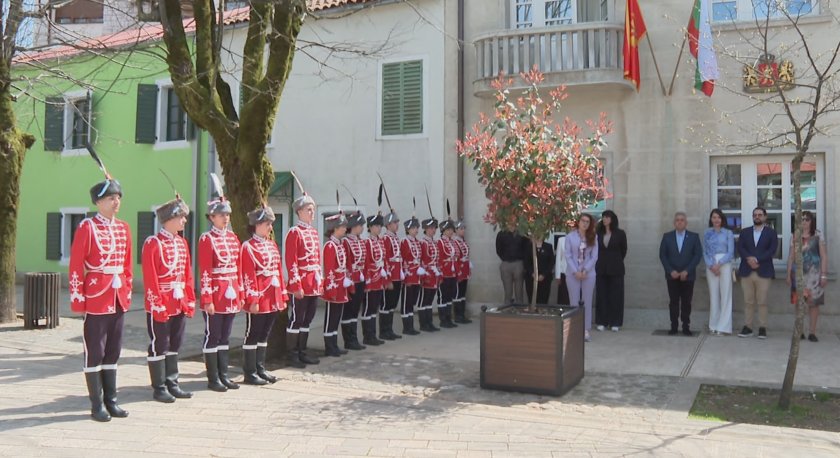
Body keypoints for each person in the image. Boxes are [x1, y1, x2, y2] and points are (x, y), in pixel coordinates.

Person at [69, 176, 132, 422]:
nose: (116, 202)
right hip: (96, 294)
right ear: (98, 202)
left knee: (113, 350)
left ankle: (111, 401)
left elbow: (127, 265)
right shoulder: (87, 227)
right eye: (110, 198)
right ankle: (97, 404)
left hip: (118, 295)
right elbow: (76, 265)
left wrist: (126, 290)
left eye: (118, 198)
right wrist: (77, 299)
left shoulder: (124, 228)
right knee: (95, 351)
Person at [142, 195, 195, 402]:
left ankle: (173, 383)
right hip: (162, 301)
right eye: (181, 217)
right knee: (160, 343)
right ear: (169, 219)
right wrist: (157, 304)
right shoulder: (153, 243)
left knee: (175, 342)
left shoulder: (182, 243)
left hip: (178, 299)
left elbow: (187, 274)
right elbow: (151, 277)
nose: (184, 221)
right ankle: (159, 387)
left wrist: (189, 299)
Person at [198, 194, 243, 391]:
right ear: (211, 217)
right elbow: (205, 271)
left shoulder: (233, 238)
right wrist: (207, 298)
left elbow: (238, 268)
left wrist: (240, 294)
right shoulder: (207, 239)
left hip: (231, 294)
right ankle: (213, 377)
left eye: (227, 214)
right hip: (216, 294)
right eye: (221, 215)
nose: (226, 218)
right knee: (213, 335)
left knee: (225, 336)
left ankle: (223, 375)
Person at [240, 205, 287, 384]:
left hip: (272, 295)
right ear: (257, 225)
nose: (270, 227)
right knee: (253, 333)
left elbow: (278, 271)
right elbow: (248, 275)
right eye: (267, 224)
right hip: (259, 296)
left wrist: (282, 296)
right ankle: (250, 372)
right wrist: (252, 299)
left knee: (265, 333)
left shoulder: (271, 244)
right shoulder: (248, 247)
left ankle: (260, 368)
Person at [285, 192, 323, 365]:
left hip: (313, 282)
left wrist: (319, 280)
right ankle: (292, 354)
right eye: (308, 209)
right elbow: (291, 261)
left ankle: (302, 351)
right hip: (301, 282)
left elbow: (317, 259)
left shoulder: (313, 232)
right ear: (299, 212)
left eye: (313, 209)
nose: (312, 212)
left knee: (308, 319)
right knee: (297, 319)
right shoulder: (295, 232)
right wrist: (296, 285)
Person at [736, 207, 778, 339]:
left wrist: (757, 259)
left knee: (762, 302)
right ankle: (748, 327)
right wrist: (749, 258)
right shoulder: (745, 232)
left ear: (765, 217)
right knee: (748, 301)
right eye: (755, 215)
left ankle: (762, 327)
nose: (757, 217)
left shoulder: (771, 233)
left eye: (760, 215)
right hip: (747, 271)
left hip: (763, 271)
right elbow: (740, 247)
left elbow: (772, 250)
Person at [659, 212, 703, 336]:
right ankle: (673, 326)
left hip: (688, 276)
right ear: (674, 223)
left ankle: (685, 327)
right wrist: (670, 270)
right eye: (677, 220)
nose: (679, 222)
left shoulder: (694, 237)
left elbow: (697, 255)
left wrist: (687, 271)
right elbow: (663, 255)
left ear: (686, 222)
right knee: (673, 302)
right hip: (672, 276)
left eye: (682, 220)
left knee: (686, 302)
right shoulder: (667, 237)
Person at [787, 211, 827, 342]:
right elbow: (791, 256)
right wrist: (788, 274)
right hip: (798, 274)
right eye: (802, 219)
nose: (804, 222)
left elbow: (823, 256)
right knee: (799, 303)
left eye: (807, 219)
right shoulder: (795, 236)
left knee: (813, 304)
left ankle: (812, 332)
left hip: (814, 275)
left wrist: (824, 275)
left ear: (811, 221)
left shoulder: (818, 235)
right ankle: (800, 332)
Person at [321, 210, 353, 356]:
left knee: (337, 317)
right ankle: (329, 347)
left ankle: (334, 345)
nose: (345, 229)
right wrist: (332, 289)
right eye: (343, 227)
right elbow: (329, 270)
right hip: (334, 287)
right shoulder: (330, 246)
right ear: (335, 228)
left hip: (341, 286)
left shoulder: (339, 245)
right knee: (331, 318)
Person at [565, 214, 599, 341]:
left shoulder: (594, 237)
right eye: (583, 221)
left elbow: (594, 256)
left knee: (587, 301)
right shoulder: (570, 237)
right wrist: (575, 271)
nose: (585, 223)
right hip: (573, 273)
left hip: (588, 273)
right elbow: (568, 255)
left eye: (587, 222)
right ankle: (574, 329)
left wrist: (585, 270)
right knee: (573, 302)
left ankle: (585, 329)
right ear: (578, 222)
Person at [595, 210, 628, 332]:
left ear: (612, 219)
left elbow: (623, 250)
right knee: (601, 295)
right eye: (603, 217)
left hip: (616, 269)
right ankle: (601, 321)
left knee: (616, 296)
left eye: (607, 217)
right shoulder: (598, 233)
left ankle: (615, 322)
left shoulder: (620, 233)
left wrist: (615, 260)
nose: (605, 219)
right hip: (601, 268)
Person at [703, 208, 734, 336]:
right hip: (710, 264)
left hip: (725, 263)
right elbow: (704, 251)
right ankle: (713, 325)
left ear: (722, 219)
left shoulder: (728, 233)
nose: (716, 220)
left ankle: (724, 327)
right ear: (711, 219)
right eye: (714, 217)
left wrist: (719, 264)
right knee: (714, 295)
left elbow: (731, 252)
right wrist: (711, 265)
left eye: (718, 217)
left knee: (725, 295)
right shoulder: (707, 233)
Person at [341, 211, 367, 350]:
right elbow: (346, 262)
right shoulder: (346, 242)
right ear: (354, 226)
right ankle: (348, 340)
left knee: (356, 309)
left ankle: (354, 337)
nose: (362, 228)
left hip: (360, 278)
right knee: (349, 310)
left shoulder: (360, 241)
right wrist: (348, 278)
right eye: (360, 225)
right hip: (351, 280)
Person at [361, 212, 388, 345]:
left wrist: (384, 274)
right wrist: (367, 280)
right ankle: (367, 336)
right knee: (368, 308)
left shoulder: (380, 241)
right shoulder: (367, 242)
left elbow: (383, 259)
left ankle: (373, 335)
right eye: (376, 226)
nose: (379, 228)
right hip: (371, 279)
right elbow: (366, 263)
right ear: (370, 227)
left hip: (379, 279)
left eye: (380, 226)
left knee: (374, 308)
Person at [380, 208, 404, 340]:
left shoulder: (395, 238)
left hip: (397, 275)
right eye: (395, 222)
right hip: (390, 276)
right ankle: (384, 331)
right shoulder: (386, 239)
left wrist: (400, 272)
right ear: (388, 225)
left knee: (393, 304)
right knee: (386, 304)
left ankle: (389, 329)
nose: (397, 225)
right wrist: (388, 279)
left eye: (397, 222)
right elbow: (385, 259)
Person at [400, 215, 423, 335]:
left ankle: (411, 326)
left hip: (417, 275)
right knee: (406, 302)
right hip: (409, 275)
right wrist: (405, 277)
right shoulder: (405, 241)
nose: (416, 230)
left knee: (412, 301)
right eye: (413, 228)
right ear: (408, 229)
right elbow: (403, 259)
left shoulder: (417, 242)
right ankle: (407, 327)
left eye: (417, 227)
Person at [418, 216, 441, 332]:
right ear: (425, 229)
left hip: (434, 274)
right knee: (424, 299)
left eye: (434, 228)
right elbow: (420, 259)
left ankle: (429, 322)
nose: (433, 230)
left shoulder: (434, 242)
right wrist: (423, 273)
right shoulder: (423, 242)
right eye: (431, 228)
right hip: (426, 273)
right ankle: (423, 324)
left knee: (430, 299)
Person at [437, 217, 460, 328]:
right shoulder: (440, 242)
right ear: (443, 231)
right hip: (444, 272)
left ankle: (448, 318)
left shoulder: (452, 242)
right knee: (443, 296)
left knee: (450, 296)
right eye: (448, 230)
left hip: (452, 272)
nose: (451, 231)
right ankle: (443, 320)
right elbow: (439, 259)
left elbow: (456, 256)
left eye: (451, 229)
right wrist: (440, 274)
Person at [496, 227, 526, 304]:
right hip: (506, 264)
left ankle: (519, 308)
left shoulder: (522, 233)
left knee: (519, 292)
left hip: (518, 263)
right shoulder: (501, 234)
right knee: (508, 292)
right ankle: (507, 308)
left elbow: (526, 248)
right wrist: (505, 258)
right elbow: (498, 249)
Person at [452, 220, 472, 324]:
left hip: (465, 270)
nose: (463, 230)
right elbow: (455, 258)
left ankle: (462, 315)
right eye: (461, 229)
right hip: (458, 270)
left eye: (464, 228)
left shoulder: (462, 241)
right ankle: (458, 316)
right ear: (455, 230)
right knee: (457, 293)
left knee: (463, 293)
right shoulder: (454, 242)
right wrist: (458, 271)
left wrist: (469, 266)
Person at [524, 237, 555, 305]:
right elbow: (526, 262)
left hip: (545, 278)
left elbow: (551, 262)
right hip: (531, 278)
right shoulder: (529, 247)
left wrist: (544, 275)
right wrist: (532, 273)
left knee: (544, 299)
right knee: (532, 299)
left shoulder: (548, 247)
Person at [554, 233, 571, 305]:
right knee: (563, 297)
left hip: (576, 274)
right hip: (564, 273)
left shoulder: (581, 239)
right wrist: (558, 275)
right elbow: (558, 258)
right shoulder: (561, 240)